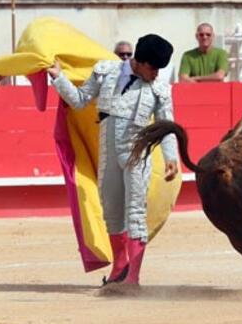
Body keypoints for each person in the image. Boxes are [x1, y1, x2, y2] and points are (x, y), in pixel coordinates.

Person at [47, 34, 179, 288]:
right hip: (108, 155)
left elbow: (166, 126)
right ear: (139, 62)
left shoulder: (159, 87)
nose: (156, 74)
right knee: (112, 212)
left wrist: (171, 156)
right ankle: (120, 268)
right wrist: (58, 77)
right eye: (153, 68)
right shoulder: (106, 72)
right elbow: (79, 100)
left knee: (135, 214)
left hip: (137, 156)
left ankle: (133, 279)